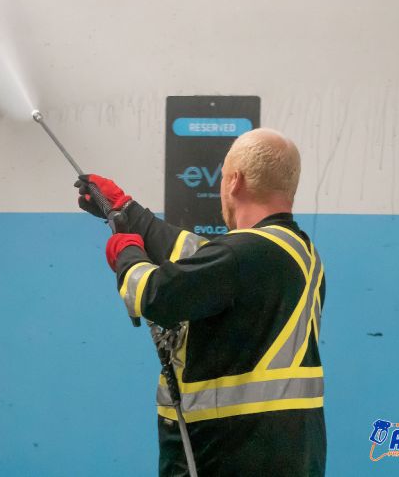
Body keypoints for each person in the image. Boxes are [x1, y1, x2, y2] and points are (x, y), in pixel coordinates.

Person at [76, 128, 326, 476]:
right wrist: (127, 211)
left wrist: (127, 252)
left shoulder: (245, 255)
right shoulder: (297, 252)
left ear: (234, 181)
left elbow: (154, 294)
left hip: (230, 454)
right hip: (285, 453)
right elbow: (204, 258)